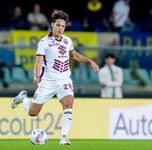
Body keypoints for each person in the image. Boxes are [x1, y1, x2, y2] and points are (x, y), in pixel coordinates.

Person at [11, 10, 99, 145]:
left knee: (69, 104)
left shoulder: (67, 41)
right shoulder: (44, 42)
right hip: (48, 82)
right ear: (52, 25)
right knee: (33, 112)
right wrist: (36, 76)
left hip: (64, 80)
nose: (60, 28)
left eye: (63, 26)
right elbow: (38, 62)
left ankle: (64, 137)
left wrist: (90, 61)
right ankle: (23, 98)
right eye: (58, 25)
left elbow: (74, 55)